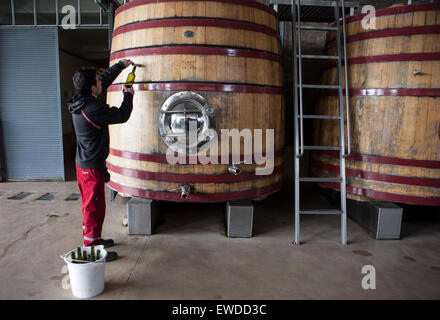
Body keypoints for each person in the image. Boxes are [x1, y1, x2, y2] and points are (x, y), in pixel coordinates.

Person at [68, 59, 134, 262]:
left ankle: (95, 239)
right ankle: (92, 250)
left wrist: (121, 66)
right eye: (97, 81)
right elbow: (122, 115)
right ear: (92, 87)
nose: (100, 82)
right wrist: (128, 96)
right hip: (91, 168)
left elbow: (103, 80)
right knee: (92, 209)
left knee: (95, 207)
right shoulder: (93, 109)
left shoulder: (80, 99)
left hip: (85, 163)